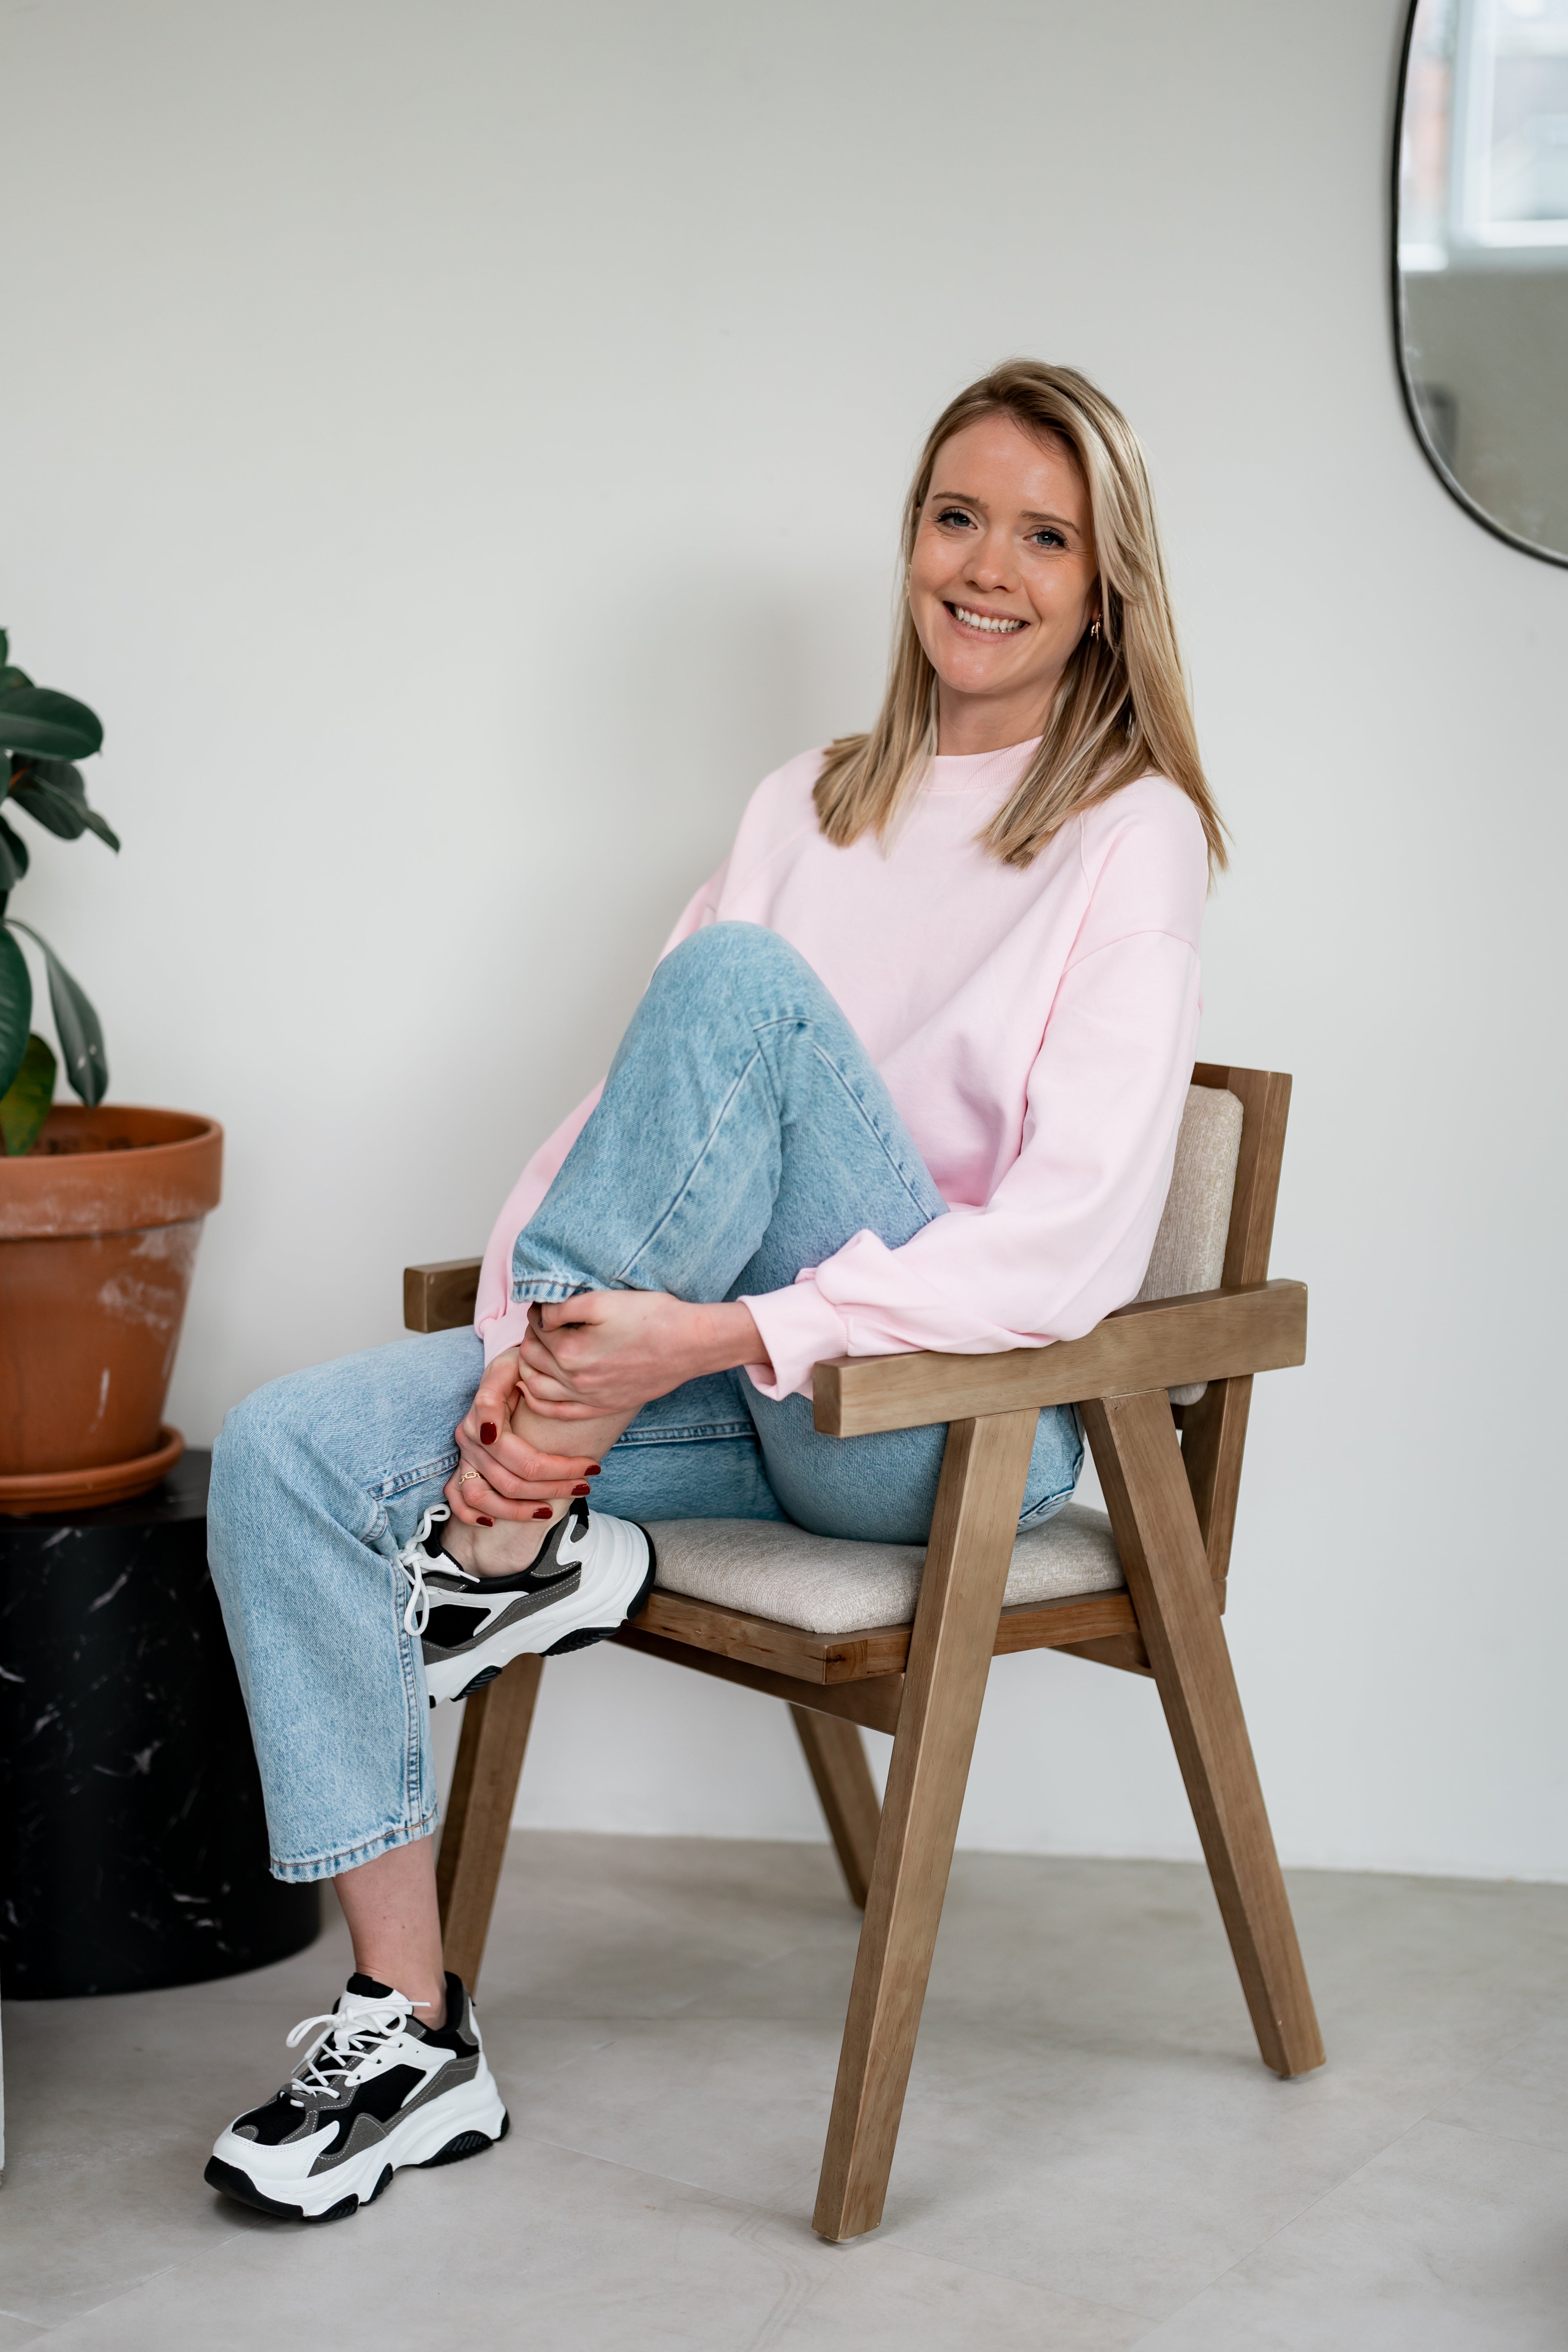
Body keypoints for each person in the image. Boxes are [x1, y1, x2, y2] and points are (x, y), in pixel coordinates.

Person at [203, 359, 1225, 2220]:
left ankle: (507, 1539)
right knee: (282, 1450)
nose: (988, 565)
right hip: (709, 1379)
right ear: (911, 541)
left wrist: (712, 1340)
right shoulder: (811, 799)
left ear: (1107, 589)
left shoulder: (1128, 833)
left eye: (1046, 534)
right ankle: (408, 2030)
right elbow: (636, 1120)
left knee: (741, 991)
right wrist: (539, 1346)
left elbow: (1074, 1241)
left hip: (930, 1432)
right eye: (956, 515)